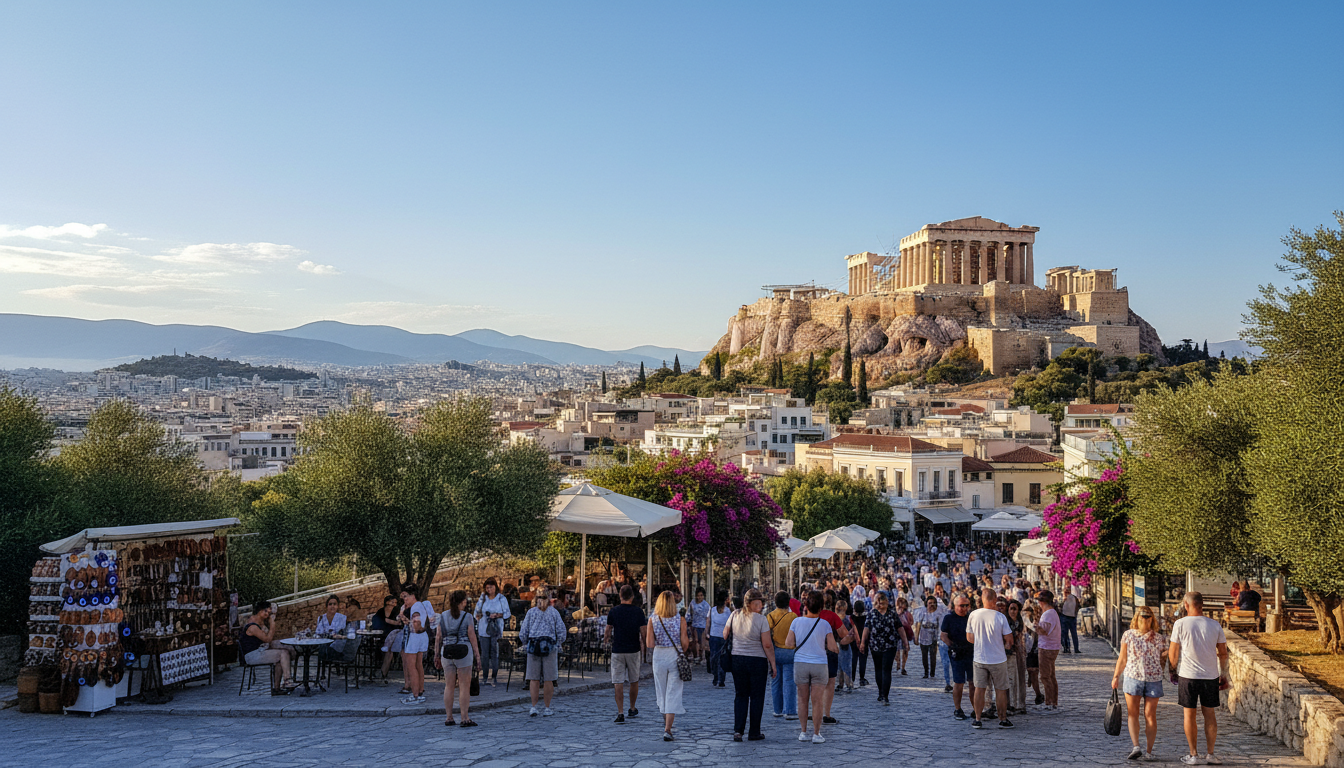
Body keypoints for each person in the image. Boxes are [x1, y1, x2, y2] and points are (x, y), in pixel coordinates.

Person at [1169, 592, 1228, 766]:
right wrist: (1223, 674)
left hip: (1188, 676)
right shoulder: (1215, 625)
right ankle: (1210, 754)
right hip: (1210, 676)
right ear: (1202, 605)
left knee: (1189, 715)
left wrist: (1173, 671)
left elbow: (1173, 653)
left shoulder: (1180, 624)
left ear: (1186, 605)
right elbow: (1223, 653)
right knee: (1210, 714)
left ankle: (1193, 755)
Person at [1112, 605, 1168, 761]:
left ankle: (1149, 751)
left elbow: (1162, 658)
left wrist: (1170, 651)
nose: (1146, 619)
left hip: (1153, 679)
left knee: (1150, 715)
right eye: (1143, 615)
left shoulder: (1158, 637)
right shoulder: (1128, 635)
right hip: (1132, 677)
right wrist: (1116, 676)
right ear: (1136, 617)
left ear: (1152, 619)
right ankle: (1136, 746)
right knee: (1133, 713)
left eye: (1149, 616)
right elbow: (1122, 658)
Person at [726, 588, 776, 742]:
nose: (760, 606)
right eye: (758, 603)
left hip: (738, 658)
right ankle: (754, 731)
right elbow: (767, 645)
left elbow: (725, 633)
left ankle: (738, 730)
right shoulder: (761, 620)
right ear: (753, 603)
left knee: (740, 695)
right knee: (756, 697)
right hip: (756, 660)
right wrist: (773, 664)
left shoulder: (735, 615)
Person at [787, 590, 837, 744]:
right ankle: (816, 733)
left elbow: (788, 643)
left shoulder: (796, 622)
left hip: (801, 663)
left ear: (806, 605)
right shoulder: (825, 624)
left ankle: (803, 732)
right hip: (819, 664)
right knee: (817, 701)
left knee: (802, 699)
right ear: (822, 607)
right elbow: (832, 647)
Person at [966, 588, 1014, 730]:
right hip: (998, 658)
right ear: (994, 600)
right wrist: (1002, 644)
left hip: (980, 658)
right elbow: (1009, 639)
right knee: (1000, 690)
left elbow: (969, 638)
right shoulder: (1000, 617)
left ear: (982, 599)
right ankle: (1003, 719)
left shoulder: (973, 615)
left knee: (979, 689)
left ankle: (977, 718)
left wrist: (982, 642)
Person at [434, 590, 482, 727]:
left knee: (449, 686)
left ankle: (449, 717)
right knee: (464, 686)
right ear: (463, 602)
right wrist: (478, 656)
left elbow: (438, 637)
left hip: (447, 652)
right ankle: (464, 718)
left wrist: (436, 655)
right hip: (464, 652)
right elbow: (472, 637)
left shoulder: (442, 616)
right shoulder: (467, 617)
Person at [646, 590, 688, 742]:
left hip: (659, 655)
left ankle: (666, 721)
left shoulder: (653, 619)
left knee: (661, 690)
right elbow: (685, 643)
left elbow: (649, 643)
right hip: (674, 655)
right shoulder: (680, 620)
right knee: (673, 691)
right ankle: (668, 729)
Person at [519, 592, 566, 716]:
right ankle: (547, 707)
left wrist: (526, 642)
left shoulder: (531, 612)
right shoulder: (554, 612)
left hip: (534, 646)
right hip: (549, 647)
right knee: (548, 679)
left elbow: (523, 632)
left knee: (533, 679)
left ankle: (534, 706)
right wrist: (559, 642)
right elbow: (561, 631)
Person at [604, 585, 645, 724]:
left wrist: (606, 641)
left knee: (618, 681)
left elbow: (608, 630)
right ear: (632, 596)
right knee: (634, 680)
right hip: (633, 649)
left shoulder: (613, 611)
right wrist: (644, 646)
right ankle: (632, 707)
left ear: (620, 596)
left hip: (618, 649)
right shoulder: (638, 612)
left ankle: (620, 711)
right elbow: (643, 632)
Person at [240, 600, 298, 692]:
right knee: (283, 653)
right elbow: (267, 639)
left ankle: (277, 688)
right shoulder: (252, 625)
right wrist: (272, 624)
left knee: (284, 650)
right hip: (252, 655)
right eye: (266, 611)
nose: (268, 614)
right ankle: (287, 680)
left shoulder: (260, 622)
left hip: (259, 649)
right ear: (260, 611)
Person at [860, 591, 900, 705]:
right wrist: (863, 642)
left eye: (883, 602)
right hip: (875, 645)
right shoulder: (871, 614)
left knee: (886, 669)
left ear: (887, 602)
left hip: (890, 645)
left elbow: (900, 627)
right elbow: (866, 628)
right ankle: (880, 692)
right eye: (879, 602)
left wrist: (905, 642)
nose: (881, 605)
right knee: (878, 668)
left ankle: (885, 695)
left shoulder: (892, 614)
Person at [941, 594, 975, 720]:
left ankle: (975, 709)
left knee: (973, 683)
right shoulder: (949, 618)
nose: (964, 608)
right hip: (957, 653)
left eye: (967, 605)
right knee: (959, 682)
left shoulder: (971, 617)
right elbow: (943, 635)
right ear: (955, 606)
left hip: (971, 652)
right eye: (961, 605)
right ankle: (958, 709)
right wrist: (953, 646)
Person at [817, 591, 848, 726]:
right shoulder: (832, 616)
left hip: (813, 651)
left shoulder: (810, 616)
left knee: (815, 683)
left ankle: (814, 711)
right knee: (829, 683)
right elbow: (844, 634)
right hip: (829, 651)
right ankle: (826, 713)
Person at [767, 591, 798, 721]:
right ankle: (790, 711)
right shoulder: (793, 616)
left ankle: (777, 709)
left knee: (776, 680)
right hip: (790, 651)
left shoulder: (770, 616)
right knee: (789, 681)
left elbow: (767, 635)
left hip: (775, 652)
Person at [397, 585, 430, 704]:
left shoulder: (415, 607)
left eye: (406, 597)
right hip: (422, 636)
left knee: (411, 666)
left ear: (413, 596)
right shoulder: (420, 605)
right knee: (418, 664)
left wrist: (403, 617)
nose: (405, 600)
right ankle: (420, 689)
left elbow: (415, 623)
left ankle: (415, 694)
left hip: (414, 637)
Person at [474, 577, 509, 688]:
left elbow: (507, 613)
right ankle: (484, 676)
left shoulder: (501, 598)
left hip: (496, 628)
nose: (489, 590)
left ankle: (494, 675)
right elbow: (476, 612)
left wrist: (497, 615)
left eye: (491, 587)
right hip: (484, 628)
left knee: (495, 653)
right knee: (485, 654)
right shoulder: (483, 598)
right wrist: (480, 616)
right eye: (487, 588)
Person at [1035, 590, 1062, 711]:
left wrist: (1033, 625)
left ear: (1042, 602)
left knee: (1046, 676)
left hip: (1046, 647)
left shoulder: (1048, 614)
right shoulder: (1052, 612)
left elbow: (1043, 631)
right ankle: (1053, 701)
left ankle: (1049, 702)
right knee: (1051, 675)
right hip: (1052, 646)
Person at [912, 595, 946, 680]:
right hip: (923, 636)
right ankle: (926, 672)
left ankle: (932, 672)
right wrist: (916, 637)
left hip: (933, 637)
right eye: (930, 603)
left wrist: (940, 637)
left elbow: (940, 626)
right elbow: (918, 624)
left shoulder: (937, 613)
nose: (931, 605)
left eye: (933, 603)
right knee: (924, 655)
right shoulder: (922, 612)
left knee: (933, 655)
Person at [372, 594, 402, 683]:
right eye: (393, 602)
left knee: (389, 651)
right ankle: (378, 670)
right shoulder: (381, 611)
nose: (394, 604)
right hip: (381, 634)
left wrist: (389, 621)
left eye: (395, 602)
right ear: (387, 602)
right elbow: (377, 622)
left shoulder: (396, 611)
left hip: (392, 634)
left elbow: (399, 623)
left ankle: (383, 672)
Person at [1005, 599, 1028, 716]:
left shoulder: (1020, 622)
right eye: (1011, 608)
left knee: (1020, 678)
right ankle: (1010, 703)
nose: (1013, 611)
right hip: (1008, 653)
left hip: (1018, 652)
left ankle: (1020, 703)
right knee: (1010, 679)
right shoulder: (1005, 622)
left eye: (1015, 609)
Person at [707, 590, 731, 687]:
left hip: (714, 637)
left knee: (714, 657)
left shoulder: (712, 610)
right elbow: (730, 624)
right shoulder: (728, 611)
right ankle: (720, 678)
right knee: (721, 658)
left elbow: (708, 623)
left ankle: (716, 677)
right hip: (722, 637)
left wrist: (706, 633)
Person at [314, 595, 347, 662]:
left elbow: (341, 631)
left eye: (334, 604)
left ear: (337, 606)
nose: (332, 606)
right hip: (323, 643)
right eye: (330, 604)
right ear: (327, 606)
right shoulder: (321, 618)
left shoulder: (342, 618)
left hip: (335, 644)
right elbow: (318, 632)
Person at [834, 599, 855, 693]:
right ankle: (849, 684)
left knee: (839, 667)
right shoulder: (847, 620)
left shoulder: (834, 620)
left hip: (835, 645)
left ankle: (840, 684)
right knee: (846, 666)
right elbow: (851, 633)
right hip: (845, 645)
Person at [849, 599, 869, 687]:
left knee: (853, 658)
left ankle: (852, 678)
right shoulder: (866, 618)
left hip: (853, 640)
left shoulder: (852, 617)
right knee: (863, 659)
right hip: (864, 640)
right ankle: (862, 678)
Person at [689, 587, 710, 663]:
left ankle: (701, 656)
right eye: (698, 595)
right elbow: (689, 612)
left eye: (701, 595)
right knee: (695, 641)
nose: (699, 597)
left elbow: (708, 616)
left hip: (703, 625)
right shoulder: (692, 603)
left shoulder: (706, 605)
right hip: (694, 624)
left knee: (701, 642)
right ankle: (696, 656)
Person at [893, 596, 914, 676]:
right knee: (897, 650)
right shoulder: (895, 613)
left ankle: (903, 667)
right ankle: (898, 663)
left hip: (906, 633)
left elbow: (911, 622)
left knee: (905, 650)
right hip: (897, 634)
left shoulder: (908, 613)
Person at [1059, 588, 1081, 654]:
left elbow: (1060, 607)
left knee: (1069, 634)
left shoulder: (1069, 598)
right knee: (1067, 634)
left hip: (1068, 617)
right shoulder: (1068, 598)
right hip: (1068, 617)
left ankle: (1072, 648)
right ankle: (1069, 648)